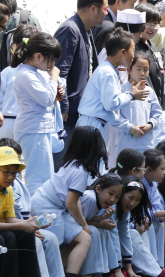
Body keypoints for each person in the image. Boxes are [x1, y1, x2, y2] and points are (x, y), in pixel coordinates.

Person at [30, 126, 108, 277]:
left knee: (83, 238)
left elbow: (74, 201)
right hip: (47, 207)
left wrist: (83, 225)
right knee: (54, 243)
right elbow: (72, 203)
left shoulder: (74, 164)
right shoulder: (79, 170)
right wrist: (83, 223)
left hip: (51, 205)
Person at [54, 0, 105, 169]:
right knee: (62, 164)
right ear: (92, 9)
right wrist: (63, 105)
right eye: (104, 9)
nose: (106, 13)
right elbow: (58, 71)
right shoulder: (70, 29)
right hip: (67, 115)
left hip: (80, 112)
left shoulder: (86, 30)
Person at [76, 28, 149, 145]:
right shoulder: (108, 72)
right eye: (133, 51)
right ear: (122, 52)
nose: (133, 56)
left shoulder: (108, 70)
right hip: (91, 127)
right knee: (90, 163)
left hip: (93, 125)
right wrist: (131, 95)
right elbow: (111, 104)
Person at [12, 32, 62, 195]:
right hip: (33, 130)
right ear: (39, 56)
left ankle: (38, 215)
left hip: (39, 129)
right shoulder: (26, 74)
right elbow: (47, 99)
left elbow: (48, 98)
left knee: (45, 176)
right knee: (37, 179)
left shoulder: (32, 72)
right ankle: (34, 216)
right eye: (52, 59)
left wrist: (55, 93)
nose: (53, 64)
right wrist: (54, 77)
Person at [0, 146, 45, 277]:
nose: (10, 177)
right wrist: (22, 225)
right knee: (8, 236)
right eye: (6, 172)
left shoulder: (8, 190)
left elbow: (10, 219)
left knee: (25, 234)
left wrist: (28, 224)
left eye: (14, 173)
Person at [112, 52, 163, 159]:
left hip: (146, 143)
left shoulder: (150, 92)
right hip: (125, 143)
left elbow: (157, 114)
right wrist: (131, 128)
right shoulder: (121, 90)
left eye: (146, 69)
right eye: (138, 69)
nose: (142, 73)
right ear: (129, 70)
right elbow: (114, 116)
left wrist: (150, 125)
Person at [135, 3, 165, 108]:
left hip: (155, 103)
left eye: (155, 24)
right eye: (147, 23)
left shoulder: (152, 46)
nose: (151, 28)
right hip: (141, 103)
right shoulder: (133, 47)